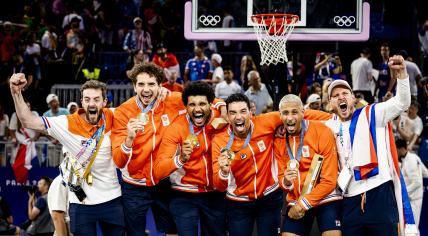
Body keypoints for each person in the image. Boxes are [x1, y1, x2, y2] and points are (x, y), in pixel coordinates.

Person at [306, 55, 416, 235]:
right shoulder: (328, 126)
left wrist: (402, 74)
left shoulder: (372, 113)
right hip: (349, 201)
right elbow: (300, 122)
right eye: (335, 96)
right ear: (330, 104)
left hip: (378, 193)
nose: (341, 97)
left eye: (345, 93)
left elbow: (402, 103)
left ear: (353, 98)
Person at [9, 75, 125, 236]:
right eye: (87, 99)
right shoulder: (67, 123)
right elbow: (29, 121)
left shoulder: (115, 115)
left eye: (97, 99)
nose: (91, 103)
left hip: (112, 200)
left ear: (104, 102)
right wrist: (15, 92)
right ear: (82, 102)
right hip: (81, 203)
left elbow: (145, 109)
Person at [111, 62, 182, 236]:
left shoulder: (171, 101)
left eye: (151, 84)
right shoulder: (123, 112)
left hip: (163, 181)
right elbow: (118, 160)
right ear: (134, 86)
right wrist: (129, 139)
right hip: (134, 186)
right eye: (141, 84)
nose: (146, 89)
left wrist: (221, 107)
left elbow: (201, 100)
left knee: (172, 230)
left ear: (160, 85)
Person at [154, 81, 226, 235]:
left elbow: (246, 118)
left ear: (210, 105)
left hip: (215, 192)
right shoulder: (175, 128)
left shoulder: (221, 117)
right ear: (185, 107)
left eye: (202, 104)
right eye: (192, 105)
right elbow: (159, 170)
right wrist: (180, 159)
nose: (197, 109)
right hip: (184, 193)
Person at [212, 93, 283, 236]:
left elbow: (295, 112)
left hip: (270, 197)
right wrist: (224, 172)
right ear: (228, 117)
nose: (238, 117)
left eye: (243, 111)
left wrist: (333, 118)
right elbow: (218, 185)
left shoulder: (266, 122)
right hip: (238, 203)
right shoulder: (219, 141)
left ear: (251, 112)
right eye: (233, 113)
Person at [275, 94, 340, 236]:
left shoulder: (322, 131)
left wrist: (303, 204)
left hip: (326, 197)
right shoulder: (279, 141)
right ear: (280, 116)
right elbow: (282, 180)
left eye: (295, 112)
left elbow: (329, 181)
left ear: (303, 113)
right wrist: (286, 181)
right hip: (296, 198)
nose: (290, 118)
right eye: (285, 113)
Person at [396, 139, 428, 231]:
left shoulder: (410, 161)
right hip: (412, 198)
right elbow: (425, 173)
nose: (396, 152)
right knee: (411, 227)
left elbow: (417, 183)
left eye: (396, 150)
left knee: (411, 227)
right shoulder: (414, 157)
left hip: (413, 199)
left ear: (401, 149)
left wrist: (403, 193)